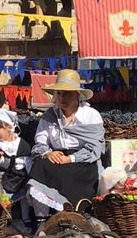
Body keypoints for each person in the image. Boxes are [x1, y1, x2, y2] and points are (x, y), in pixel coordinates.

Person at [28, 69, 105, 214]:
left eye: (67, 93)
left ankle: (78, 213)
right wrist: (47, 153)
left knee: (73, 174)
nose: (62, 97)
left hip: (82, 161)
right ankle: (42, 220)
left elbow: (95, 148)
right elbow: (39, 144)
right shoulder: (49, 116)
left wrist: (70, 159)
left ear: (77, 95)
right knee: (39, 167)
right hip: (56, 158)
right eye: (59, 93)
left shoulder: (91, 116)